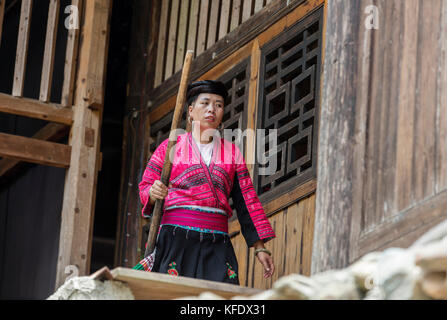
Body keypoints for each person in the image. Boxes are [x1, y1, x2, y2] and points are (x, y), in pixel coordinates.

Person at [134, 80, 275, 284]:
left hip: (217, 243)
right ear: (190, 111)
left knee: (219, 298)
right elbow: (145, 187)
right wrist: (154, 192)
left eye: (218, 105)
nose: (212, 109)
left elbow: (246, 201)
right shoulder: (169, 147)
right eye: (205, 103)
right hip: (175, 239)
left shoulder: (232, 153)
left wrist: (259, 246)